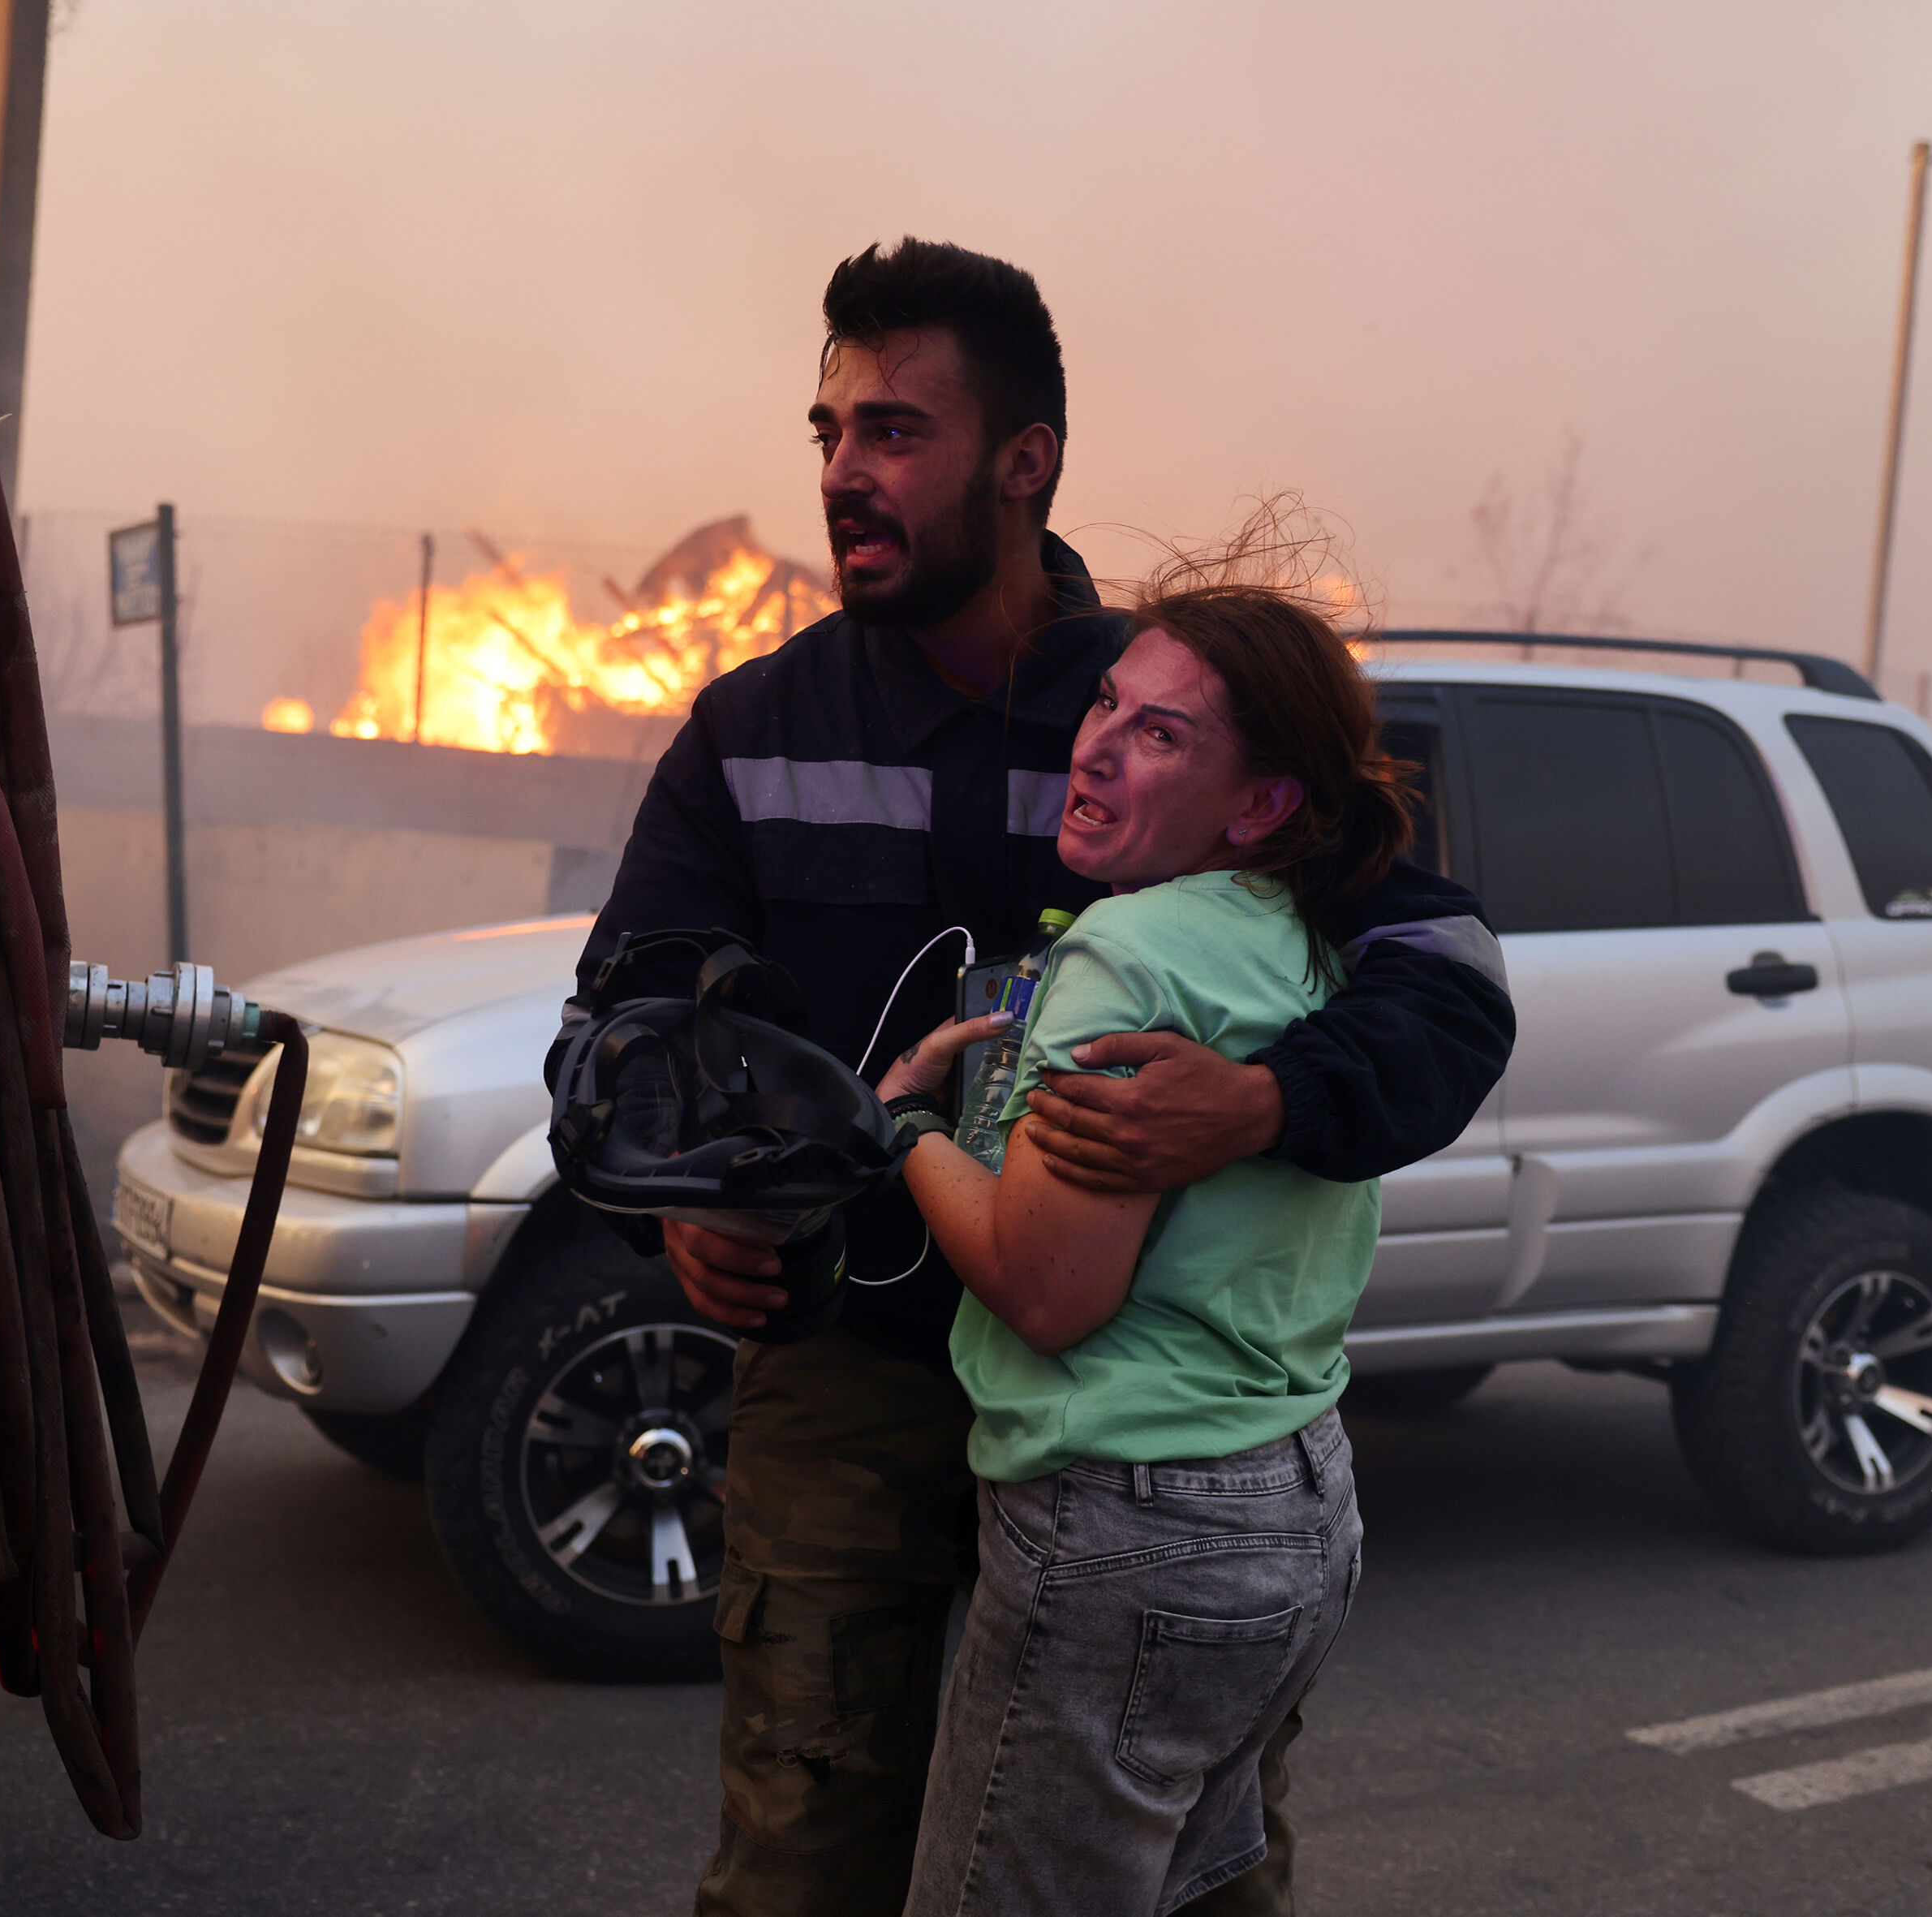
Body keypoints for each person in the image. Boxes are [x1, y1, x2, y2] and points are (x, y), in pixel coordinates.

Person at [548, 238, 1515, 1917]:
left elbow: (1445, 972)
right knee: (804, 1856)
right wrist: (681, 1220)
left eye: (896, 431)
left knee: (1167, 1879)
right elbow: (621, 1029)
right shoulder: (747, 727)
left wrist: (1263, 1100)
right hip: (843, 1384)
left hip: (1125, 1429)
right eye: (828, 429)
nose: (846, 471)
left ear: (1023, 459)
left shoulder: (1175, 712)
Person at [876, 571, 1401, 1916]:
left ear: (1261, 803)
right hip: (1300, 1511)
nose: (1097, 744)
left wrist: (899, 1126)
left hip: (1129, 1523)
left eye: (1161, 733)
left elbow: (1050, 1289)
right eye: (1108, 701)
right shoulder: (1317, 940)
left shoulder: (1131, 953)